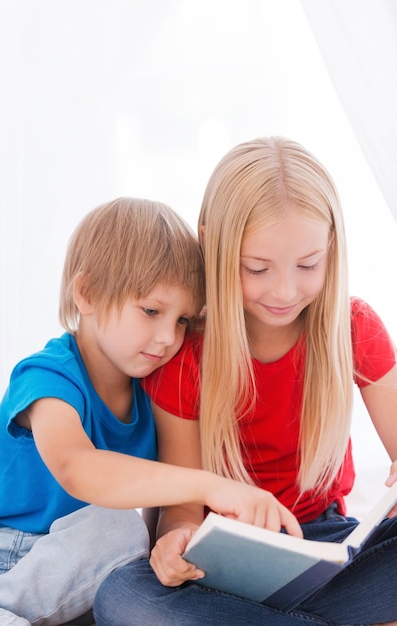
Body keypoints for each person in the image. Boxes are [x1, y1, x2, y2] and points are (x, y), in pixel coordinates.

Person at [93, 139, 397, 626]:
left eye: (308, 265)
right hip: (224, 560)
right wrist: (174, 543)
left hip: (325, 543)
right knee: (123, 599)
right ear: (213, 245)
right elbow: (183, 509)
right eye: (257, 268)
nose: (284, 291)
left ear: (331, 248)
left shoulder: (354, 328)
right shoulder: (187, 353)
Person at [0, 197, 302, 626]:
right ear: (87, 292)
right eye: (151, 311)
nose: (168, 337)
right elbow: (78, 468)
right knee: (118, 529)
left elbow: (157, 504)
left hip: (73, 565)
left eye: (183, 320)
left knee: (137, 562)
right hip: (1, 553)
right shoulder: (47, 377)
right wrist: (210, 486)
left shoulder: (157, 385)